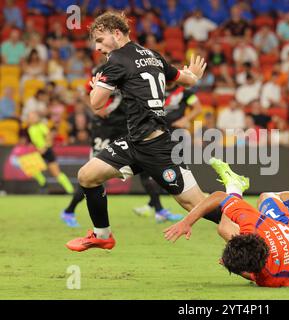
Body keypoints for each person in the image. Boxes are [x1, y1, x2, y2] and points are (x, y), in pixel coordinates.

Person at [65, 12, 220, 252]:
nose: (97, 48)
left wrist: (96, 86)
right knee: (87, 175)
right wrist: (194, 76)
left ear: (116, 34)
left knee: (196, 204)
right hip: (135, 143)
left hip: (157, 147)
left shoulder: (116, 60)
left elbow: (96, 104)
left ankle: (246, 230)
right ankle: (102, 235)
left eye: (99, 39)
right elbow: (184, 79)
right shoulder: (152, 56)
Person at [164, 158, 289, 287]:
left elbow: (253, 274)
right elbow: (218, 197)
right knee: (267, 197)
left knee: (224, 228)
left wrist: (234, 267)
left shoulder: (269, 278)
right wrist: (186, 222)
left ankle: (235, 185)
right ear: (250, 235)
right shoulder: (255, 224)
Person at [60, 63, 129, 228]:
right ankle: (69, 211)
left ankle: (156, 207)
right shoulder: (101, 71)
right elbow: (84, 93)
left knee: (141, 164)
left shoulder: (128, 68)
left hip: (123, 127)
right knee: (93, 174)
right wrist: (95, 110)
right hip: (103, 128)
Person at [133, 82, 202, 221]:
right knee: (148, 171)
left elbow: (198, 108)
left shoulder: (185, 92)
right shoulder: (156, 90)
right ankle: (155, 206)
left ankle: (157, 206)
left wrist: (186, 119)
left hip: (175, 136)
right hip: (155, 134)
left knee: (171, 170)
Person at [27, 111, 74, 195]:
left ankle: (70, 190)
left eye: (33, 116)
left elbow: (49, 137)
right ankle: (43, 183)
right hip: (38, 151)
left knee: (55, 172)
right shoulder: (30, 129)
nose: (32, 118)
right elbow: (35, 141)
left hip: (47, 151)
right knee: (30, 165)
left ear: (37, 118)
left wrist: (45, 147)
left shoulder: (41, 126)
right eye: (30, 117)